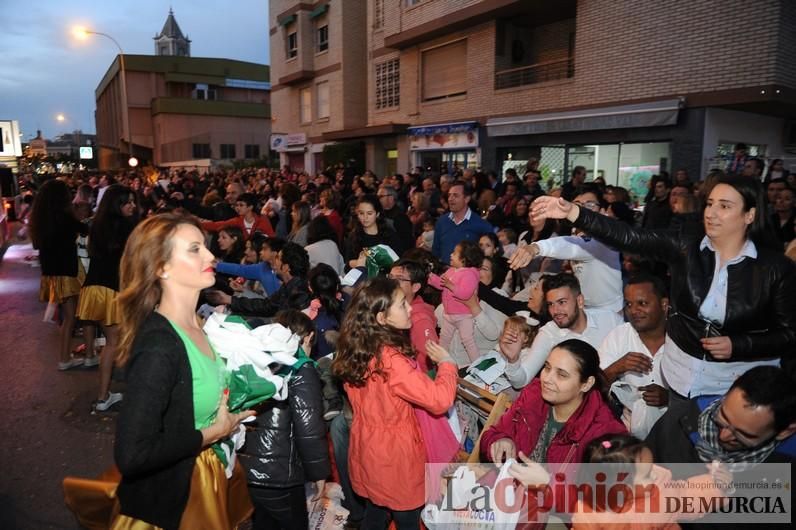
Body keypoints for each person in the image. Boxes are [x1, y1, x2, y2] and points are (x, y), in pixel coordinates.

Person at [528, 174, 796, 396]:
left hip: (738, 387)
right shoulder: (686, 248)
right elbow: (631, 237)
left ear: (749, 215)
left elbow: (789, 334)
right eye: (710, 204)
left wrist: (740, 344)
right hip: (680, 377)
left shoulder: (775, 269)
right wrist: (574, 213)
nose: (712, 213)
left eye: (724, 206)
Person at [112, 213, 255, 530]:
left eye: (205, 247)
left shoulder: (197, 324)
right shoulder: (159, 346)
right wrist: (213, 432)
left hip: (201, 480)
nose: (210, 255)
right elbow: (132, 454)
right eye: (195, 249)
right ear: (161, 267)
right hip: (169, 506)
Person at [332, 277, 458, 529]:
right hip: (396, 455)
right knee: (407, 517)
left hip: (368, 445)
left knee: (376, 510)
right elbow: (439, 400)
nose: (410, 308)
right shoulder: (390, 360)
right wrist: (447, 364)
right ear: (381, 318)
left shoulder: (356, 348)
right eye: (402, 305)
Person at [481, 339, 626, 524]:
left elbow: (600, 506)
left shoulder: (605, 433)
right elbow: (491, 435)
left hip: (557, 516)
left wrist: (547, 485)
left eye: (562, 375)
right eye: (547, 367)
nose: (547, 379)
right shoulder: (534, 394)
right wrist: (500, 440)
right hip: (512, 495)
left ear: (586, 384)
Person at [239, 310, 330, 530]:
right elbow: (308, 427)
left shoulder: (253, 358)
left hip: (245, 467)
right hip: (280, 473)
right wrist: (319, 474)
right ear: (307, 337)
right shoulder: (300, 367)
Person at [646, 366, 796, 469]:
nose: (723, 436)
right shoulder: (680, 418)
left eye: (742, 434)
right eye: (722, 418)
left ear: (786, 431)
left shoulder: (787, 463)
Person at [572, 433, 730, 529]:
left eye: (652, 466)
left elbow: (690, 495)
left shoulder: (661, 489)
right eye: (647, 475)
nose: (655, 476)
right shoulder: (590, 512)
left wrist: (718, 485)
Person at [512, 189, 624, 317]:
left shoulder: (604, 238)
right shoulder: (576, 232)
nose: (582, 210)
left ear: (603, 211)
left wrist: (536, 248)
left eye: (590, 205)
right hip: (583, 310)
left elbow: (571, 246)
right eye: (577, 204)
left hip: (608, 314)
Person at [76, 184, 138, 413]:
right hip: (111, 291)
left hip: (94, 288)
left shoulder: (99, 225)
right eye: (127, 202)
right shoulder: (125, 227)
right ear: (116, 205)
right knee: (114, 344)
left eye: (133, 201)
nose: (132, 206)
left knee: (115, 343)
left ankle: (106, 394)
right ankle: (104, 397)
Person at [503, 273, 619, 389]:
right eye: (550, 304)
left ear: (579, 301)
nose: (555, 311)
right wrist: (513, 360)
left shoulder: (610, 319)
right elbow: (521, 381)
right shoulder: (549, 334)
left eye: (562, 302)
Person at [599, 274, 670, 438]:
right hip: (630, 436)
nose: (633, 311)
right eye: (629, 304)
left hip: (676, 433)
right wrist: (617, 367)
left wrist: (670, 399)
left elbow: (703, 395)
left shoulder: (682, 339)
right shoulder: (620, 335)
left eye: (642, 303)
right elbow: (591, 386)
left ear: (664, 304)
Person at [29, 179, 89, 370]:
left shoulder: (40, 220)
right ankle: (65, 358)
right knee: (73, 317)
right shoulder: (65, 218)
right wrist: (81, 215)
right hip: (67, 272)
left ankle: (67, 357)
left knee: (69, 316)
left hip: (51, 273)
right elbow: (85, 230)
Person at [209, 242, 311, 318]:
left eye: (278, 258)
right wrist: (229, 299)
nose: (275, 262)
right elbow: (266, 305)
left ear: (286, 267)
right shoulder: (289, 286)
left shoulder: (300, 294)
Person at [428, 241, 484, 364]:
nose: (451, 255)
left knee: (467, 340)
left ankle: (478, 367)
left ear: (464, 259)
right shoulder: (451, 271)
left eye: (454, 253)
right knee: (444, 338)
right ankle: (440, 362)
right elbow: (440, 284)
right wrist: (430, 276)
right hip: (449, 314)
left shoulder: (470, 274)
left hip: (464, 315)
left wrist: (451, 286)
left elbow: (466, 294)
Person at [389, 259, 440, 371]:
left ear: (415, 287)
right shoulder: (387, 307)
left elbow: (429, 363)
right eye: (391, 277)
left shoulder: (420, 320)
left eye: (400, 279)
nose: (392, 283)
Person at [431, 181, 493, 264]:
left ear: (467, 199)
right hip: (444, 273)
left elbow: (489, 255)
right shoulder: (441, 222)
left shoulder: (481, 225)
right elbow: (436, 252)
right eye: (449, 195)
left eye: (455, 195)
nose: (450, 199)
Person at [343, 194, 400, 269]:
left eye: (369, 213)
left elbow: (398, 263)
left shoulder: (389, 235)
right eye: (361, 213)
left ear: (377, 214)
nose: (365, 217)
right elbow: (347, 265)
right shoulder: (354, 236)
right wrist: (358, 263)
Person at [201, 192, 275, 239]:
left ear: (250, 207)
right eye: (237, 205)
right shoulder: (237, 221)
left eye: (241, 205)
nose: (238, 207)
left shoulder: (263, 219)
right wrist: (197, 224)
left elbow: (272, 238)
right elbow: (217, 225)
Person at [378, 184, 413, 256]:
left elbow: (407, 243)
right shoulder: (380, 215)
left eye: (381, 196)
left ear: (391, 197)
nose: (378, 199)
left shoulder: (400, 218)